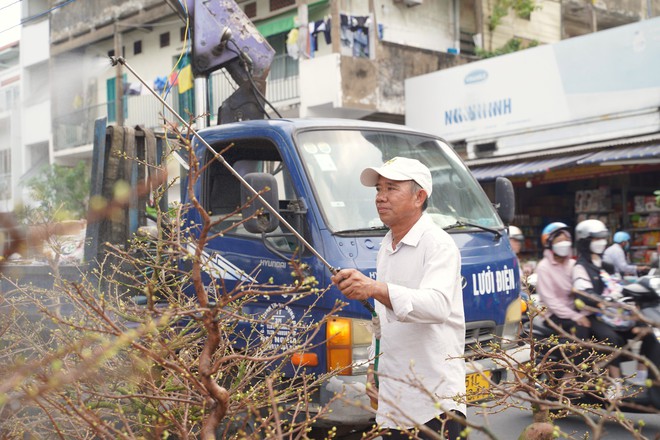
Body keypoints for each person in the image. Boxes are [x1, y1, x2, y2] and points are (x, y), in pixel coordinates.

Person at [330, 157, 466, 439]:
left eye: (391, 188)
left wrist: (375, 288)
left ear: (419, 196)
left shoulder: (438, 244)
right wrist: (373, 369)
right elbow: (382, 320)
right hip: (394, 400)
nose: (381, 198)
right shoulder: (387, 246)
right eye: (378, 189)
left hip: (435, 402)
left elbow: (437, 306)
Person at [572, 219, 660, 395]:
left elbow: (620, 284)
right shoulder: (580, 267)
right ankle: (616, 383)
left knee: (648, 333)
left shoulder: (606, 265)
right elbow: (583, 294)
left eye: (603, 238)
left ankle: (642, 379)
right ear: (584, 241)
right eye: (596, 239)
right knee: (611, 339)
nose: (601, 242)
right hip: (595, 315)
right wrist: (602, 300)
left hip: (617, 314)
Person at [535, 222, 590, 340]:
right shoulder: (543, 267)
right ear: (549, 244)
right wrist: (575, 316)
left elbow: (583, 289)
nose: (564, 244)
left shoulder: (573, 264)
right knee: (580, 331)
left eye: (566, 240)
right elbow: (551, 301)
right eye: (559, 241)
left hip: (575, 311)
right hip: (554, 315)